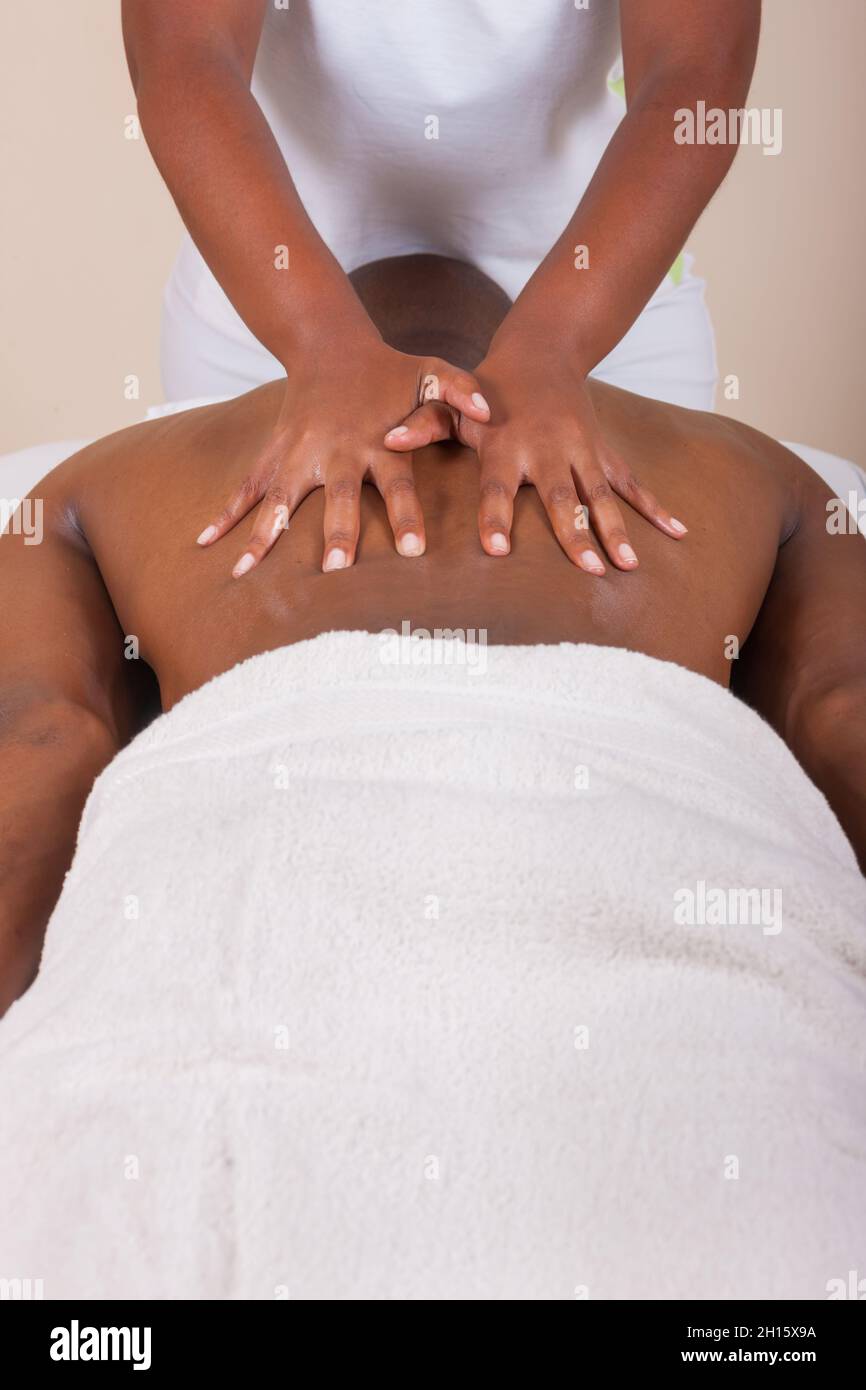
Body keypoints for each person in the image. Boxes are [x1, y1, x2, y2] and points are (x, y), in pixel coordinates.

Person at [1, 252, 864, 1015]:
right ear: (507, 343)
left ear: (291, 372)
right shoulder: (750, 468)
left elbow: (41, 742)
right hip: (648, 876)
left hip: (256, 890)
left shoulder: (99, 483)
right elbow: (842, 718)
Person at [122, 0, 760, 573]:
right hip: (270, 289)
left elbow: (696, 73)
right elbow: (185, 57)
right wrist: (320, 345)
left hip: (604, 286)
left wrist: (555, 348)